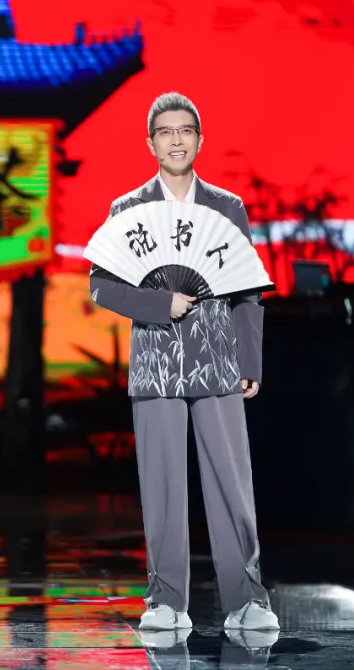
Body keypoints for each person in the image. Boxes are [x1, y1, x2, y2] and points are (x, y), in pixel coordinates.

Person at [89, 92, 279, 633]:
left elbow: (247, 290)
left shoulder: (227, 207)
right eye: (166, 132)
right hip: (155, 362)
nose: (176, 140)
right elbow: (101, 286)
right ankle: (167, 600)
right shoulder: (128, 209)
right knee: (163, 487)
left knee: (231, 484)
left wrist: (249, 360)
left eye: (185, 130)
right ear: (150, 143)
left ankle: (247, 600)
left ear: (199, 139)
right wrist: (159, 304)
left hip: (217, 360)